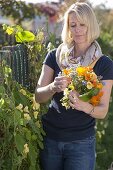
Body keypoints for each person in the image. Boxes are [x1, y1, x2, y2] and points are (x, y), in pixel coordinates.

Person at [35, 2, 113, 170]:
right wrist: (53, 87)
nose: (77, 29)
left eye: (82, 24)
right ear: (68, 28)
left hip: (81, 143)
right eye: (73, 25)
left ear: (90, 25)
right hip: (51, 140)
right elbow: (38, 96)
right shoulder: (54, 56)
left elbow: (102, 110)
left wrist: (83, 105)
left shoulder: (104, 64)